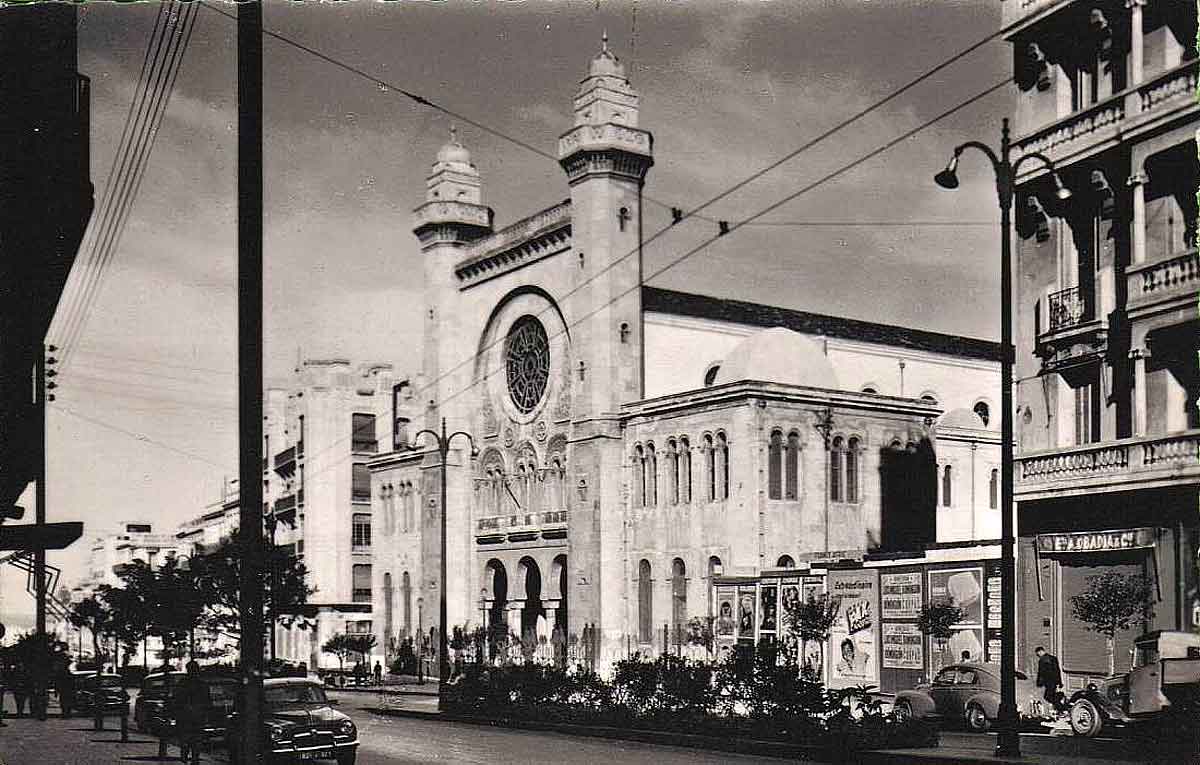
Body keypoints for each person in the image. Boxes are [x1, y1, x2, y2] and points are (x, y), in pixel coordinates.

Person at [171, 661, 208, 765]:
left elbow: (176, 700)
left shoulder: (182, 683)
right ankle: (194, 758)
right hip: (197, 717)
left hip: (185, 717)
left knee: (185, 739)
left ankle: (185, 757)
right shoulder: (202, 684)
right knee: (196, 740)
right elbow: (207, 702)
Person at [1035, 646, 1065, 712]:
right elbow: (1057, 671)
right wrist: (1059, 682)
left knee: (1048, 696)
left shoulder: (1042, 660)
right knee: (1051, 695)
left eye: (1038, 654)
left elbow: (1041, 673)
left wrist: (1039, 682)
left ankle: (1061, 708)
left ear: (1040, 651)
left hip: (1048, 682)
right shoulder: (1053, 658)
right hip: (1054, 681)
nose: (1038, 656)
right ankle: (1058, 708)